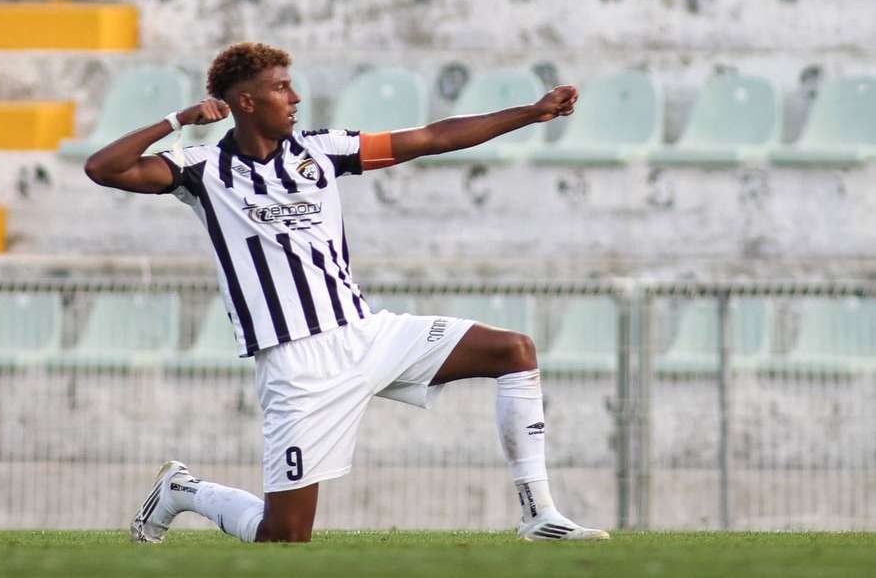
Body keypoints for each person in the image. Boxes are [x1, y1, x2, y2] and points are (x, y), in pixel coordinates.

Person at [85, 42, 609, 543]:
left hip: (367, 335)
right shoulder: (200, 170)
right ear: (246, 102)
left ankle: (539, 513)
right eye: (281, 88)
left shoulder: (322, 149)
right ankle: (182, 491)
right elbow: (102, 168)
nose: (295, 98)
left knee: (513, 350)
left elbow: (433, 137)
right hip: (297, 366)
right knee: (283, 536)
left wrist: (531, 112)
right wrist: (177, 121)